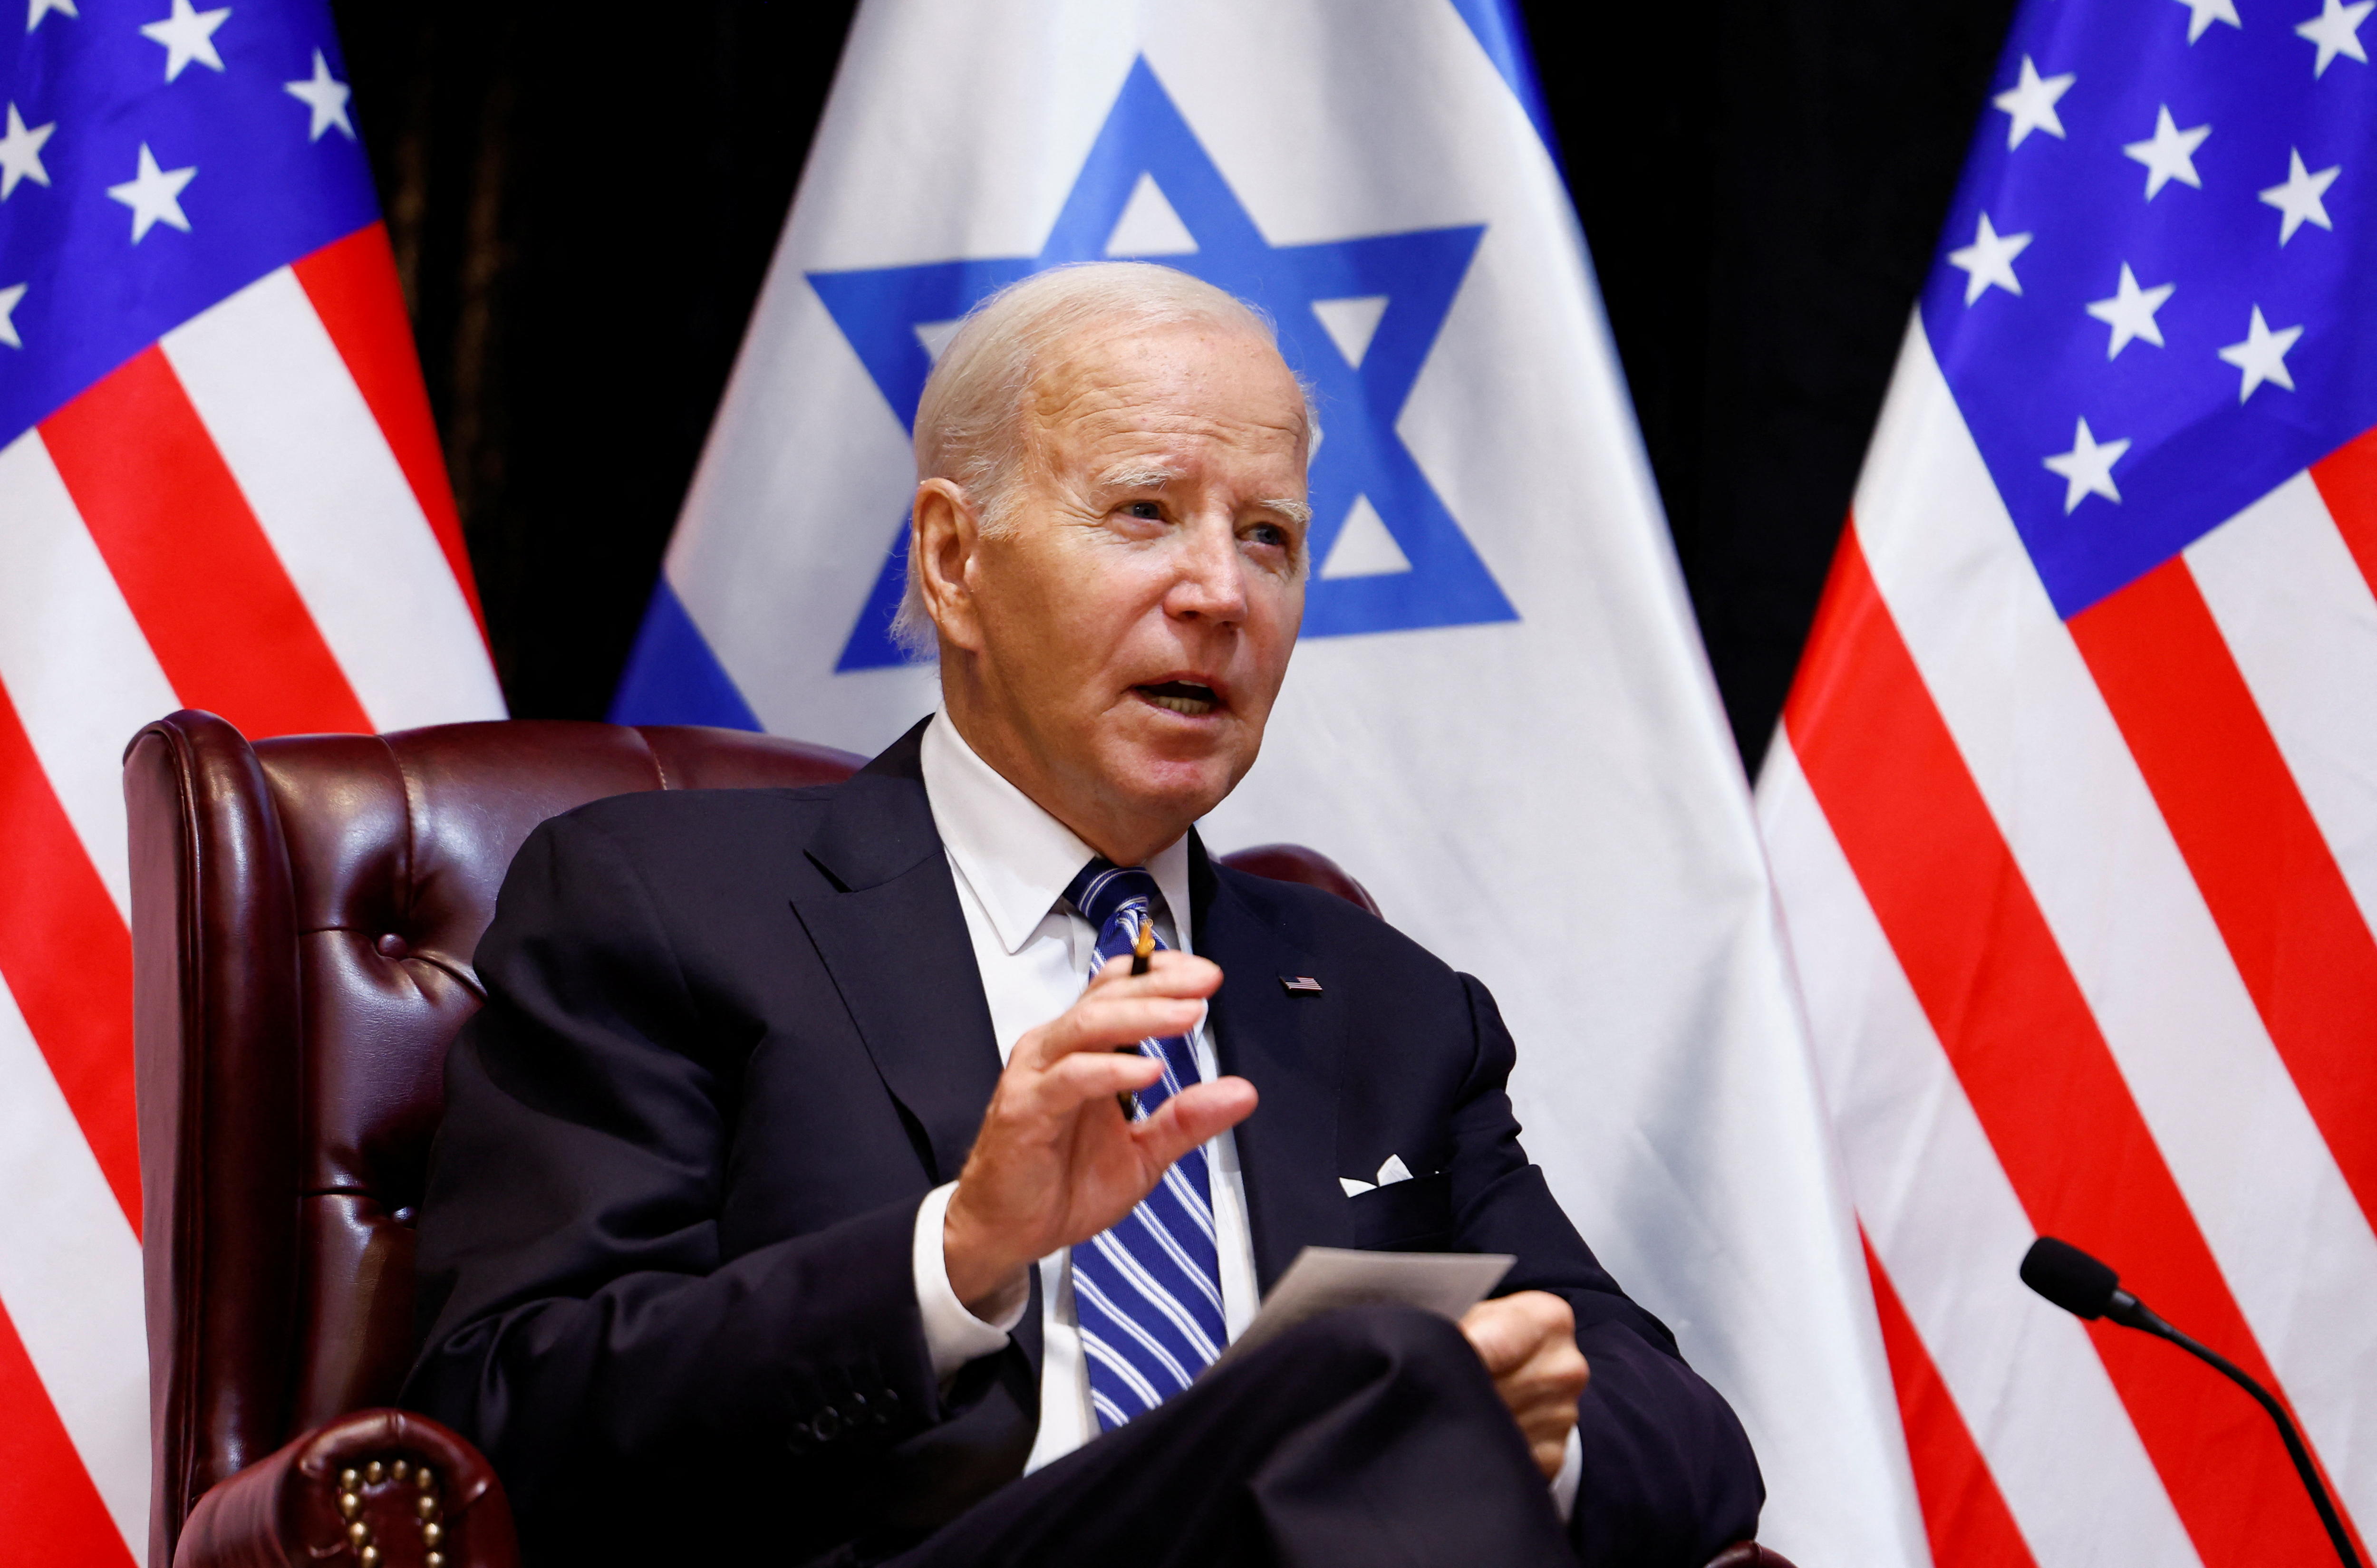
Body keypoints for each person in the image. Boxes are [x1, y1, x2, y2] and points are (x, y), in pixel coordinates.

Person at [404, 262, 1763, 1568]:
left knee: (1390, 1384)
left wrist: (1518, 1441)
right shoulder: (670, 904)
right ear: (952, 558)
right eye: (1142, 513)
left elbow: (1687, 1437)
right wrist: (958, 1253)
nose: (1220, 592)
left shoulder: (1392, 1009)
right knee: (1368, 1372)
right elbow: (509, 1410)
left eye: (1271, 537)